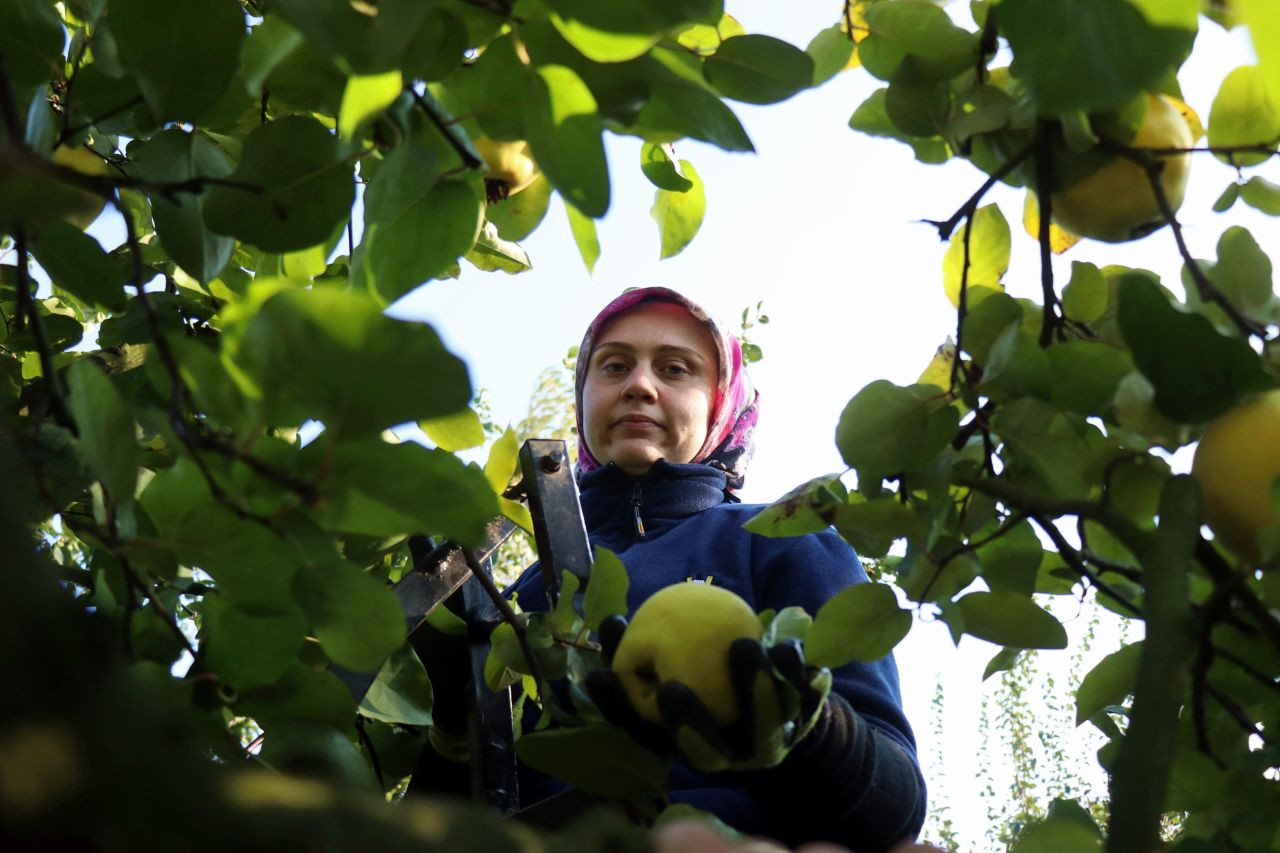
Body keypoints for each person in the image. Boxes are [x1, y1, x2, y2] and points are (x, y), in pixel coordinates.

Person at [504, 287, 927, 852]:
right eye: (614, 366)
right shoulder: (520, 593)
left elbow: (896, 805)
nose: (639, 385)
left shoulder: (782, 542)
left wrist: (800, 728)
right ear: (584, 398)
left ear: (720, 404)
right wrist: (451, 733)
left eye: (675, 369)